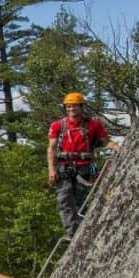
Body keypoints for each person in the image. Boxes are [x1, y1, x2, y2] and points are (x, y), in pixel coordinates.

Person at [47, 92, 110, 236]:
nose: (71, 109)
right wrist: (51, 170)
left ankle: (82, 230)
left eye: (74, 106)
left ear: (81, 107)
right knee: (64, 200)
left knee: (80, 202)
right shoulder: (58, 125)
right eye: (68, 106)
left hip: (84, 167)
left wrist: (117, 147)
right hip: (64, 167)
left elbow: (106, 142)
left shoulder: (93, 124)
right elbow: (51, 148)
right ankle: (72, 233)